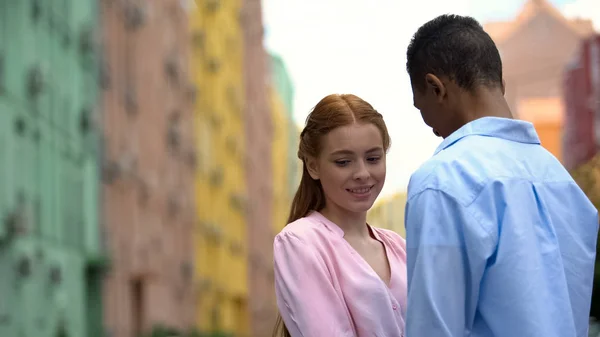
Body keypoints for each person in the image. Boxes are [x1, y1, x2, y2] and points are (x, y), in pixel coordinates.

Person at [404, 14, 598, 337]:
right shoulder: (563, 183)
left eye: (420, 108)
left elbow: (433, 328)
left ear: (435, 87)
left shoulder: (442, 180)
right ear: (501, 84)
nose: (433, 128)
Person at [272, 94, 407, 337]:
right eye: (344, 162)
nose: (362, 173)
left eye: (373, 158)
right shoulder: (300, 241)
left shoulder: (399, 247)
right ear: (313, 166)